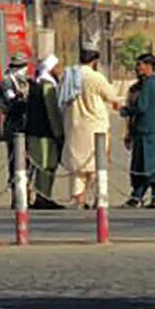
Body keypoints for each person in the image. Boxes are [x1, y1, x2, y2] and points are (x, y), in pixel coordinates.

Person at [61, 48, 123, 209]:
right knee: (97, 163)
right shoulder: (95, 78)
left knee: (77, 166)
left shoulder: (68, 76)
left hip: (74, 123)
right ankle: (99, 197)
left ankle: (78, 199)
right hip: (96, 125)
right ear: (94, 61)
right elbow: (112, 96)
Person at [123, 54, 155, 208]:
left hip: (147, 131)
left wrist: (126, 111)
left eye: (140, 65)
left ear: (149, 66)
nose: (138, 68)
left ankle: (153, 197)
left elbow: (142, 106)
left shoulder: (148, 84)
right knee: (154, 165)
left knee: (146, 166)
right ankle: (151, 197)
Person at [24, 56, 65, 209]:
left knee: (40, 166)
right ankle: (43, 197)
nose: (59, 70)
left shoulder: (36, 83)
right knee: (47, 165)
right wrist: (59, 133)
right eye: (57, 66)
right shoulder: (47, 86)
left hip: (34, 132)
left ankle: (39, 196)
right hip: (44, 134)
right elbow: (52, 112)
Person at [0, 56, 30, 209]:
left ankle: (26, 195)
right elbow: (11, 100)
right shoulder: (7, 82)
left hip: (25, 124)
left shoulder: (24, 81)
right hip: (13, 125)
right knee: (15, 161)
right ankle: (16, 197)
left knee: (26, 161)